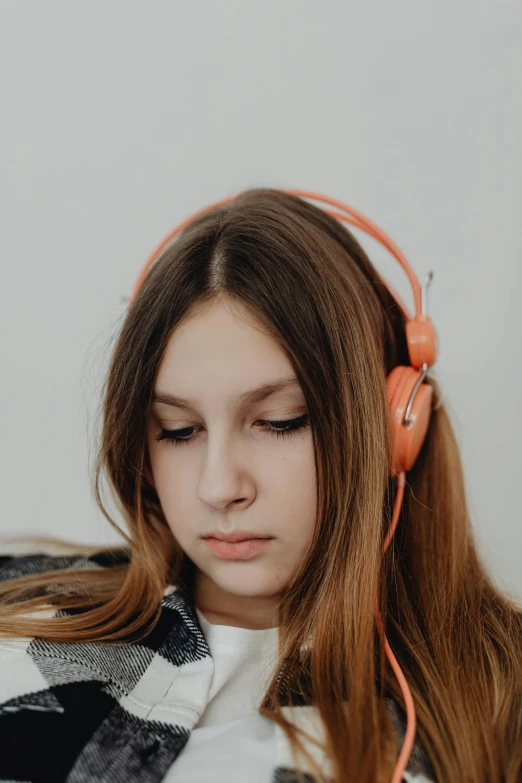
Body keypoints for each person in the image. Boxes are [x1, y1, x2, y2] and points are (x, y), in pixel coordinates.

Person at [0, 188, 520, 783]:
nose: (219, 487)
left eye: (281, 421)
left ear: (396, 425)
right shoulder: (18, 605)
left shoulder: (500, 702)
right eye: (178, 430)